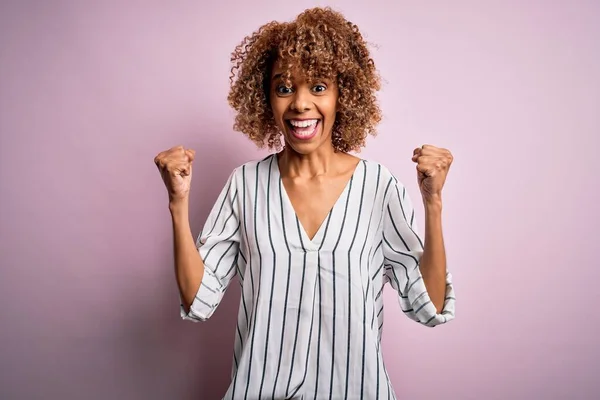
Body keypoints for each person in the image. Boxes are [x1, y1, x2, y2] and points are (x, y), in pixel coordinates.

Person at [154, 7, 456, 400]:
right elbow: (199, 300)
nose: (300, 104)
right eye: (284, 87)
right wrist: (178, 204)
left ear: (341, 94)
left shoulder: (378, 187)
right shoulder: (245, 186)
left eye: (317, 86)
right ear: (266, 98)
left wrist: (432, 203)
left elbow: (428, 306)